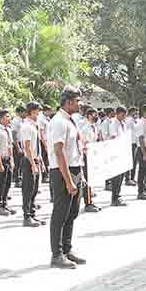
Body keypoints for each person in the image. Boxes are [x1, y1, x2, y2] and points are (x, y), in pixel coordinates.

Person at [48, 87, 87, 268]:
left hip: (75, 169)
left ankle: (66, 249)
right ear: (68, 102)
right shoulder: (58, 122)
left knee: (72, 213)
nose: (80, 104)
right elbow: (59, 151)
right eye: (77, 101)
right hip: (62, 171)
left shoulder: (70, 121)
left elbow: (73, 150)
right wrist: (69, 180)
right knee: (60, 213)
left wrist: (80, 174)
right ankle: (57, 254)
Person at [20, 102, 49, 223]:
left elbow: (35, 145)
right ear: (32, 112)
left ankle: (32, 213)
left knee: (34, 189)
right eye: (37, 112)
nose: (39, 114)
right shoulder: (27, 126)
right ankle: (27, 216)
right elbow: (27, 147)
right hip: (29, 160)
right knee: (28, 189)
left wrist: (39, 159)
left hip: (35, 159)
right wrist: (32, 164)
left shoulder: (34, 125)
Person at [0, 109, 16, 216]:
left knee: (7, 183)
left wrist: (12, 160)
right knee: (0, 183)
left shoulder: (8, 130)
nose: (9, 118)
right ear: (1, 119)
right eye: (7, 116)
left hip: (8, 158)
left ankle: (4, 204)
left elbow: (10, 146)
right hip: (1, 159)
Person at [106, 107, 129, 206]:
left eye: (125, 115)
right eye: (122, 115)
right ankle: (114, 198)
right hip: (116, 152)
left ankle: (118, 195)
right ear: (118, 114)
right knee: (116, 177)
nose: (124, 117)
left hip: (122, 151)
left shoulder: (123, 123)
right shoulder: (113, 123)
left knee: (121, 176)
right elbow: (113, 137)